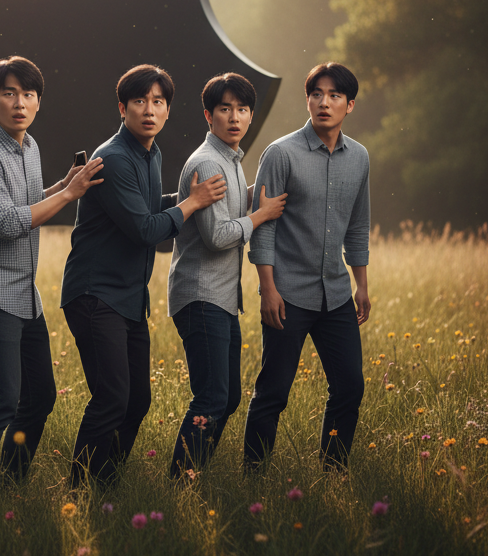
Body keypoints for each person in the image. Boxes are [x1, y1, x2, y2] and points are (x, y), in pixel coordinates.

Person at [60, 64, 228, 486]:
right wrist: (191, 203)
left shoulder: (150, 153)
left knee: (137, 400)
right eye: (139, 101)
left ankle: (105, 483)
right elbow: (146, 229)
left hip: (128, 298)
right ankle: (80, 489)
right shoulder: (115, 158)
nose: (149, 110)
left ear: (168, 110)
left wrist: (187, 198)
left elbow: (148, 207)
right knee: (112, 398)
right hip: (95, 294)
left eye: (158, 102)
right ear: (123, 108)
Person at [0, 55, 104, 489]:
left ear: (39, 101)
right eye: (9, 94)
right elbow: (6, 222)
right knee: (1, 399)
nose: (19, 103)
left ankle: (11, 481)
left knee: (39, 396)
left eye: (28, 94)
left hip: (24, 295)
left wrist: (63, 186)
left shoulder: (29, 146)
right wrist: (70, 195)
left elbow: (25, 202)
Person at [243, 62, 371, 471]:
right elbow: (263, 227)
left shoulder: (359, 157)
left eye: (334, 95)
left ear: (350, 104)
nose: (324, 102)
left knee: (349, 386)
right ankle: (254, 476)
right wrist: (268, 289)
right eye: (316, 94)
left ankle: (333, 471)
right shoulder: (281, 154)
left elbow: (358, 225)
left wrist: (361, 284)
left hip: (336, 294)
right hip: (288, 295)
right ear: (308, 100)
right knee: (274, 392)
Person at [166, 72, 287, 475]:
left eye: (242, 109)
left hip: (220, 298)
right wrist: (261, 215)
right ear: (208, 115)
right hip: (201, 295)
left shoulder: (230, 160)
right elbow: (217, 236)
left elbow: (229, 209)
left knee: (228, 396)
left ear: (251, 115)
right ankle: (182, 480)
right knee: (212, 398)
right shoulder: (207, 163)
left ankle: (192, 471)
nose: (234, 117)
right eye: (224, 109)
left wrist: (259, 194)